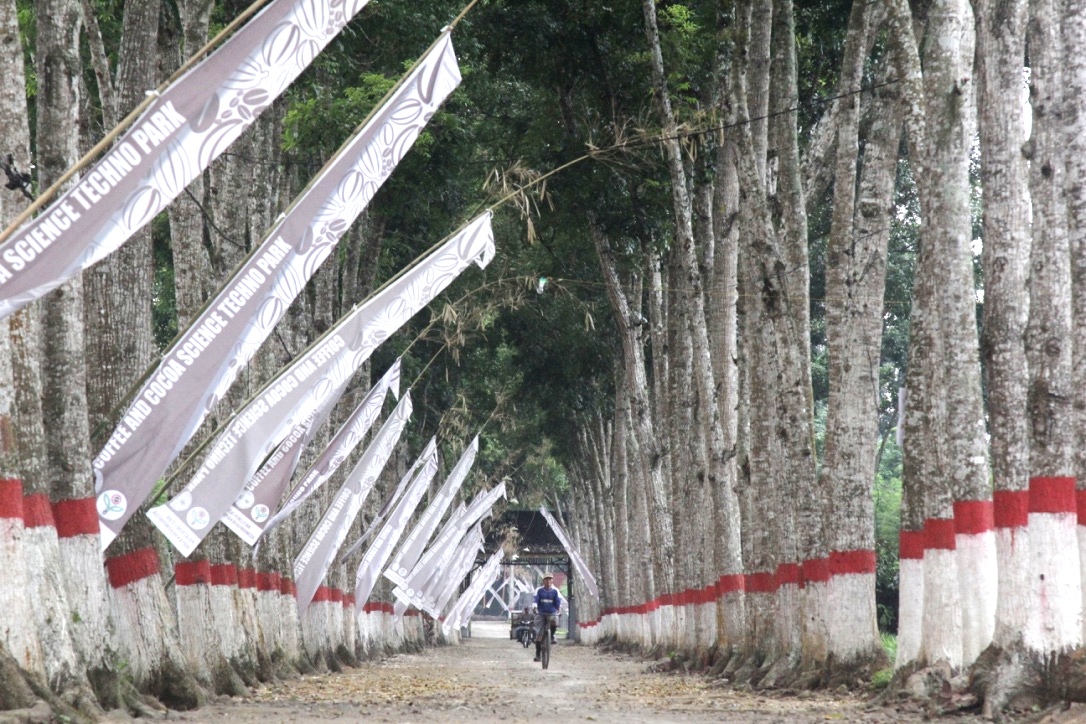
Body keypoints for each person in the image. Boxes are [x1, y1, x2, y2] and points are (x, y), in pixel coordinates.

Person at [532, 573, 563, 662]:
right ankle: (538, 655)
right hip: (541, 613)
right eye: (546, 579)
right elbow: (535, 601)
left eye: (550, 579)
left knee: (555, 621)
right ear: (543, 581)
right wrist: (534, 608)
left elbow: (558, 603)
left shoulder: (555, 591)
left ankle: (552, 636)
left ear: (552, 581)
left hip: (552, 613)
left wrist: (559, 611)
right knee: (539, 635)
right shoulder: (539, 590)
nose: (548, 581)